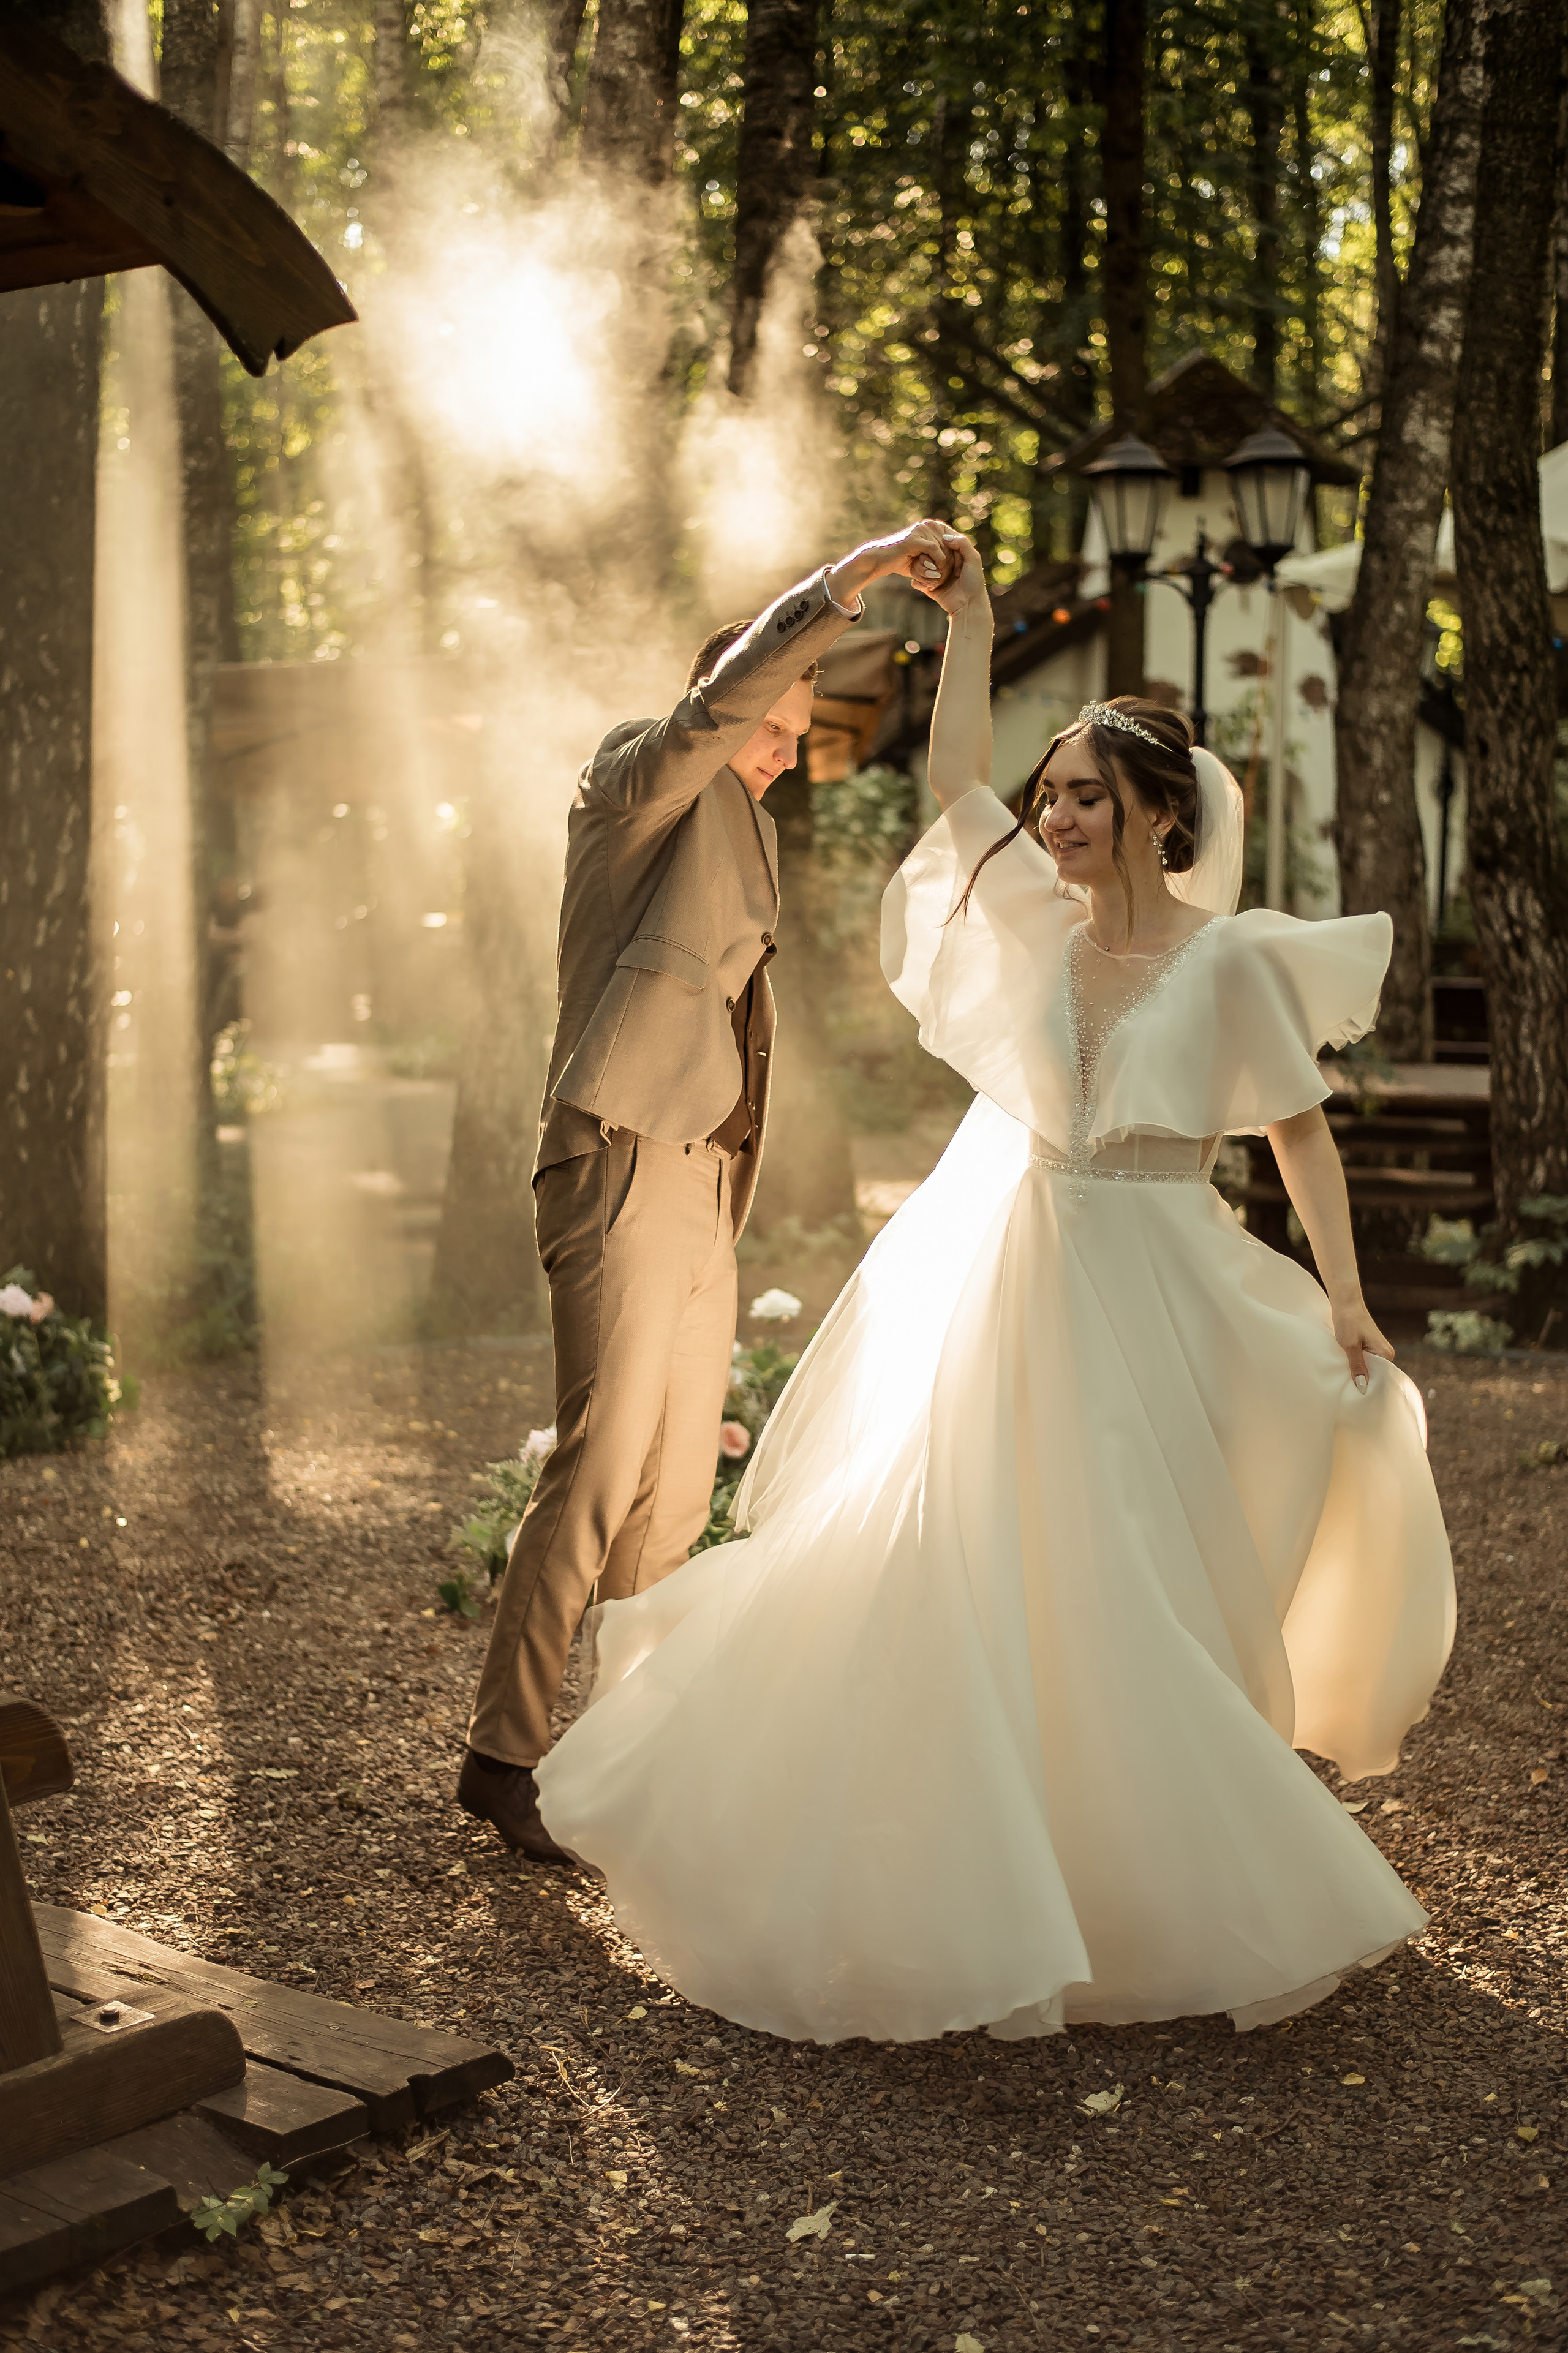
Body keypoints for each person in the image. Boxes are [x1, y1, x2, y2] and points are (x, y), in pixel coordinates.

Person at [530, 530, 1456, 2042]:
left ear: (1160, 816)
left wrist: (1345, 1294)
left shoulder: (1230, 967)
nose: (1055, 815)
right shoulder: (1027, 920)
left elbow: (1295, 1131)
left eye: (1087, 796)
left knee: (1131, 1568)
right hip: (1015, 1271)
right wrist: (960, 622)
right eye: (1054, 796)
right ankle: (965, 1866)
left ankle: (1132, 1865)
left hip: (1155, 1278)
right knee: (963, 1549)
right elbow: (954, 784)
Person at [459, 519, 961, 1864]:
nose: (788, 753)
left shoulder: (741, 825)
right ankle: (502, 1756)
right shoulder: (636, 785)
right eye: (775, 727)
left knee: (680, 1488)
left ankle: (631, 1757)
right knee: (603, 1461)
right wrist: (854, 578)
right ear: (730, 693)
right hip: (618, 1154)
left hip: (703, 1184)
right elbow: (722, 708)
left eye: (797, 738)